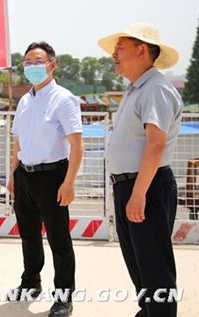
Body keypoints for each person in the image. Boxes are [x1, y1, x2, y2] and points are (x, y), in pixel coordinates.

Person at [98, 23, 182, 317]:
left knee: (154, 268)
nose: (114, 55)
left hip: (146, 187)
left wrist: (137, 193)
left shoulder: (156, 89)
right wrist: (123, 187)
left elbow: (156, 145)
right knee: (141, 266)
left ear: (142, 50)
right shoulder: (138, 88)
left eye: (120, 48)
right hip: (133, 186)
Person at [6, 41, 83, 317]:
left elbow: (77, 144)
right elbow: (19, 140)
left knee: (59, 240)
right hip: (24, 176)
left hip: (52, 176)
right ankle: (30, 283)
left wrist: (69, 182)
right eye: (27, 62)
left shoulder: (64, 99)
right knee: (29, 235)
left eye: (38, 61)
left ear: (52, 65)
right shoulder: (25, 100)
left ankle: (63, 297)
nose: (32, 67)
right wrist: (13, 174)